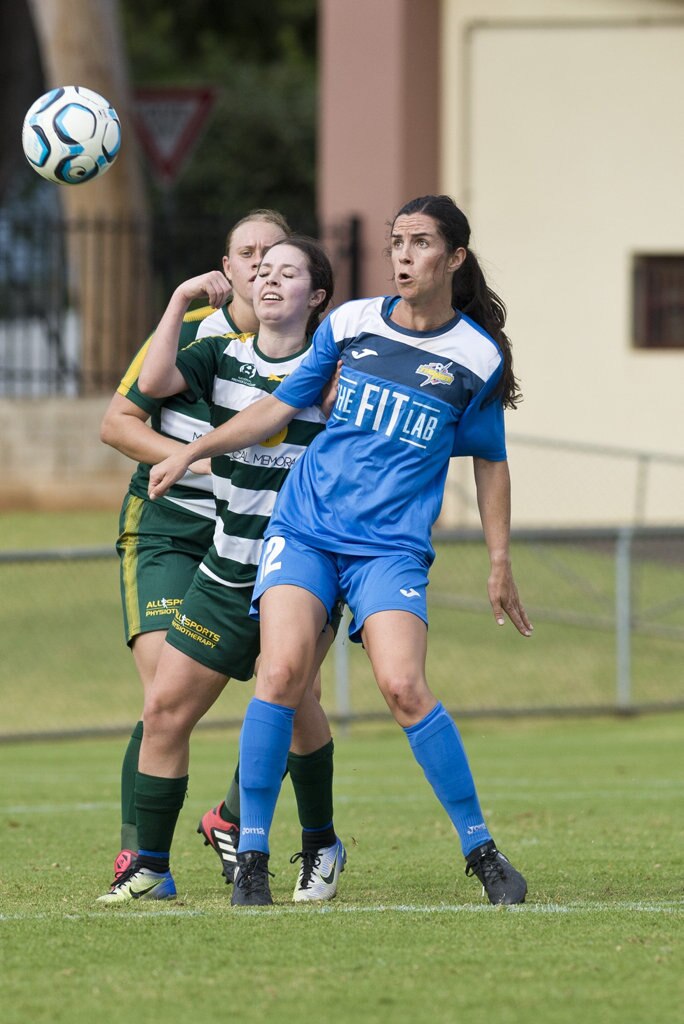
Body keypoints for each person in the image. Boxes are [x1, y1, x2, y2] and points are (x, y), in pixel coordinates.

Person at [148, 194, 533, 909]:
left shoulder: (476, 356)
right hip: (307, 530)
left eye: (420, 243)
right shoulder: (352, 324)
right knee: (282, 672)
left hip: (389, 548)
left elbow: (489, 459)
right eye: (396, 242)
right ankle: (255, 859)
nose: (403, 256)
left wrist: (499, 559)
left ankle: (481, 850)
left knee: (403, 687)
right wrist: (191, 449)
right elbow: (277, 406)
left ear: (454, 259)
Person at [99, 235, 346, 905]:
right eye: (261, 271)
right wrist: (179, 299)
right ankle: (149, 866)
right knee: (163, 709)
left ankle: (320, 842)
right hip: (225, 565)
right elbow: (152, 386)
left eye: (286, 273)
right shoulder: (218, 354)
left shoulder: (333, 372)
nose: (268, 280)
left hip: (300, 570)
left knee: (292, 698)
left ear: (316, 297)